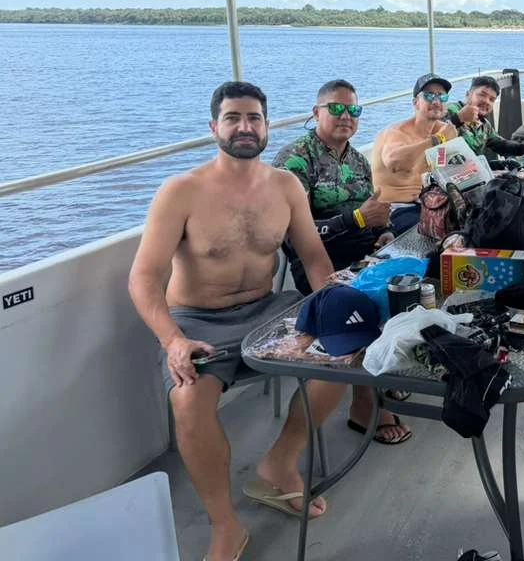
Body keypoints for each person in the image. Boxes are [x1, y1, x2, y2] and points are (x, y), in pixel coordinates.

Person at [128, 82, 407, 561]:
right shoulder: (181, 192)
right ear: (214, 127)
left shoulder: (284, 186)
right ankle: (225, 526)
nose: (244, 126)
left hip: (267, 306)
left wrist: (336, 311)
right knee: (189, 401)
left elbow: (315, 260)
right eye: (233, 118)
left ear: (266, 125)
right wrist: (172, 339)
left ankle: (279, 464)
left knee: (346, 351)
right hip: (198, 320)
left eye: (254, 118)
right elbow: (144, 278)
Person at [273, 79, 393, 294]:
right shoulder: (295, 159)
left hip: (365, 252)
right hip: (320, 262)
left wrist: (384, 231)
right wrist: (356, 219)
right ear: (317, 113)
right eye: (337, 108)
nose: (346, 116)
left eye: (354, 110)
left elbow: (368, 209)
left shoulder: (358, 160)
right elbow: (292, 235)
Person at [372, 73, 458, 233]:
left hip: (430, 202)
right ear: (415, 102)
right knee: (437, 234)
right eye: (429, 95)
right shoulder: (397, 133)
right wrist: (437, 140)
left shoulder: (444, 130)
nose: (436, 101)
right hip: (395, 209)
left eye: (442, 96)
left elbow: (452, 167)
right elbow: (395, 162)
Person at [445, 75, 524, 160]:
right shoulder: (451, 110)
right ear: (468, 94)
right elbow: (435, 134)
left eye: (492, 99)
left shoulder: (484, 125)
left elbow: (501, 145)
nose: (487, 101)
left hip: (473, 171)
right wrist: (459, 118)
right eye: (482, 95)